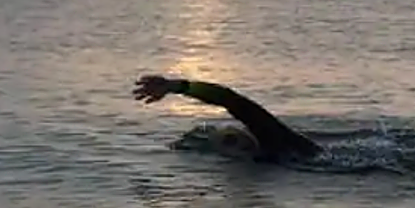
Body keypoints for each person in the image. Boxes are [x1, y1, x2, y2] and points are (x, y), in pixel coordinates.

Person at [133, 75, 321, 163]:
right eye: (231, 142)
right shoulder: (273, 156)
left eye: (234, 138)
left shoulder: (276, 139)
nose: (240, 145)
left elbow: (228, 98)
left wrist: (178, 86)